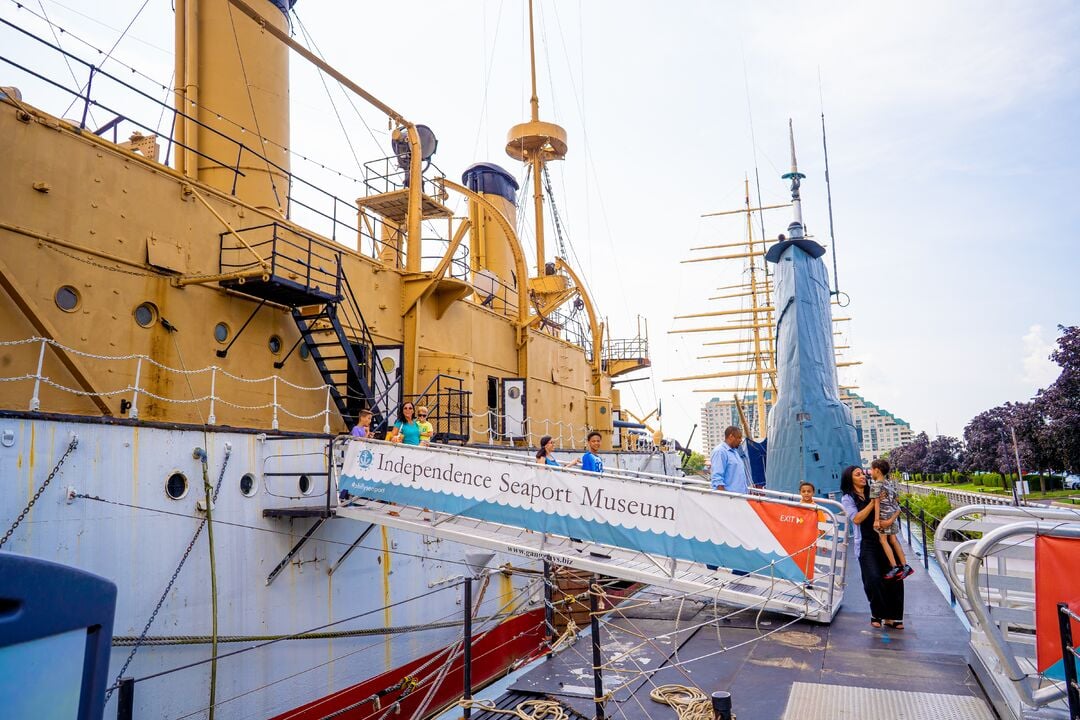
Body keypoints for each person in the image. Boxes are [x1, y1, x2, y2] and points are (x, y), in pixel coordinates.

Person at [841, 465, 905, 630]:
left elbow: (893, 505)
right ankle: (878, 613)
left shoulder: (876, 489)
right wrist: (872, 502)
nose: (863, 476)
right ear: (850, 479)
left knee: (894, 577)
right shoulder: (848, 498)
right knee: (873, 578)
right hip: (866, 542)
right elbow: (856, 519)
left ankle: (894, 617)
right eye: (858, 474)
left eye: (863, 473)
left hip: (884, 539)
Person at [869, 458, 914, 580]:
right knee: (893, 540)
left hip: (884, 515)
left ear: (877, 470)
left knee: (883, 541)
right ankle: (905, 565)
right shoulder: (889, 484)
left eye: (871, 469)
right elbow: (896, 501)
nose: (870, 472)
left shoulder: (875, 485)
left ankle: (894, 567)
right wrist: (894, 515)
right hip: (892, 514)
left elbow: (876, 502)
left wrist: (876, 520)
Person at [709, 426, 749, 493]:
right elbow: (717, 479)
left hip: (741, 497)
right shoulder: (720, 452)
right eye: (739, 437)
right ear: (731, 437)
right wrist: (725, 499)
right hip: (731, 499)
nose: (741, 440)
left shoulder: (735, 452)